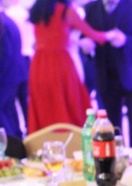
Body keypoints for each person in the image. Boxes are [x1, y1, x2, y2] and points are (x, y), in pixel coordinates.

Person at [27, 0, 107, 134]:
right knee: (68, 105)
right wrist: (110, 35)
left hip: (39, 65)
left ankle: (44, 143)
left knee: (43, 107)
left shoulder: (37, 11)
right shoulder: (66, 11)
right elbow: (94, 35)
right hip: (60, 64)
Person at [84, 0, 132, 146]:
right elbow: (84, 37)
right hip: (105, 77)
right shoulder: (90, 8)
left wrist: (126, 40)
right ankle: (114, 156)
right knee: (110, 125)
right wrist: (86, 47)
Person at [4, 0, 34, 130]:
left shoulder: (7, 18)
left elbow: (6, 50)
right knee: (22, 106)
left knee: (6, 109)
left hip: (10, 68)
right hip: (23, 63)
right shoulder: (14, 17)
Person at [0, 5, 25, 139]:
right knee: (9, 112)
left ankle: (10, 146)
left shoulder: (4, 22)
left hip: (6, 76)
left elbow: (6, 52)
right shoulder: (8, 21)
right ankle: (16, 143)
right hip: (13, 74)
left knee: (3, 115)